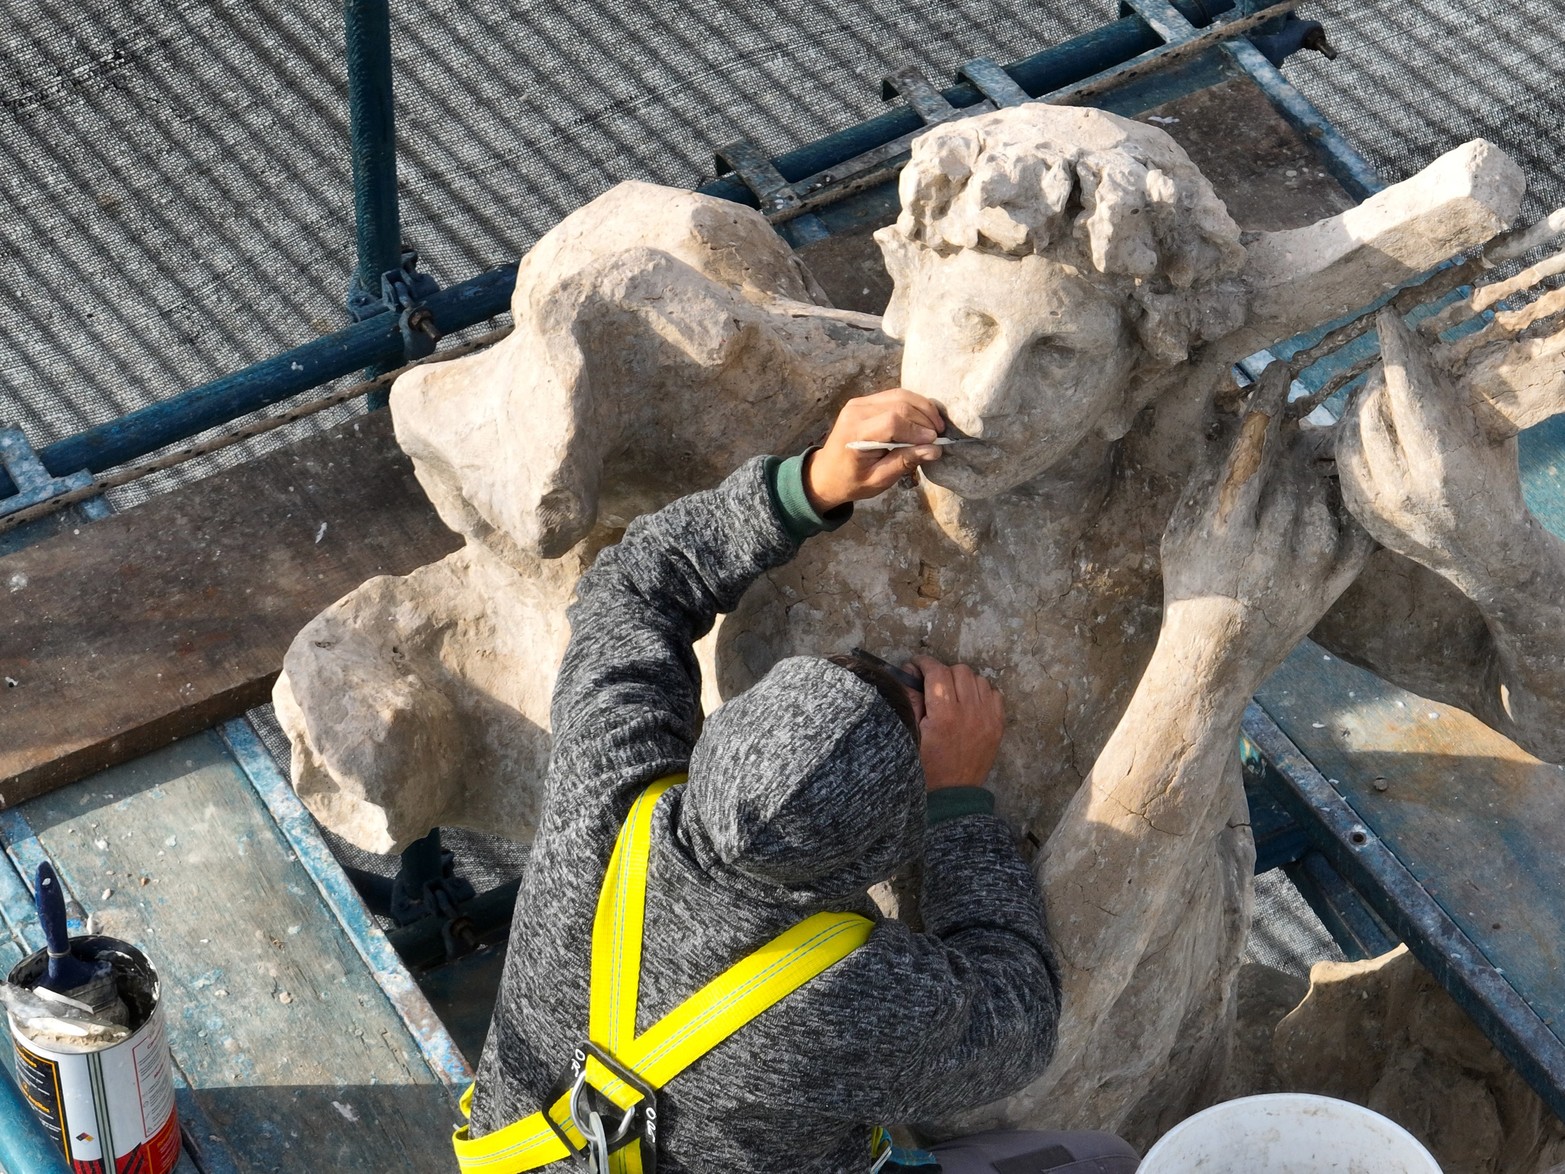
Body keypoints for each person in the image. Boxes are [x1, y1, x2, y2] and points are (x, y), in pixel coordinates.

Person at [456, 388, 1138, 1173]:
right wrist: (957, 806)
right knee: (1101, 1158)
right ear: (880, 849)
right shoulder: (842, 1002)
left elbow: (634, 589)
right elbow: (1018, 1018)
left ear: (724, 737)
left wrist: (806, 484)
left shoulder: (607, 797)